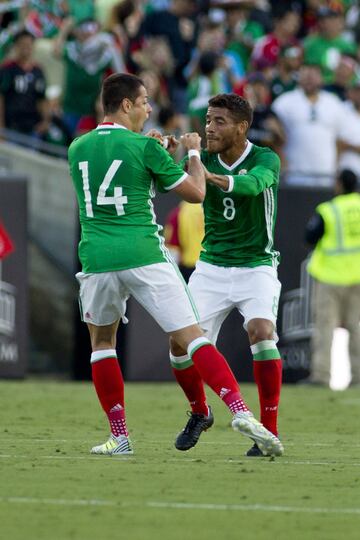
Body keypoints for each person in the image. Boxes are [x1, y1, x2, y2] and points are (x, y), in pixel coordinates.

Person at [68, 73, 283, 457]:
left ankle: (119, 437)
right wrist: (190, 155)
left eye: (218, 121)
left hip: (97, 257)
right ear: (128, 105)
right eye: (146, 101)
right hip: (148, 254)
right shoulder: (147, 148)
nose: (150, 108)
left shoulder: (76, 147)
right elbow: (195, 191)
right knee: (190, 339)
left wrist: (163, 151)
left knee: (102, 345)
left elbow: (130, 176)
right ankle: (234, 409)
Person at [170, 93, 283, 457]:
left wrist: (207, 174)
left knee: (262, 332)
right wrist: (163, 148)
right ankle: (200, 412)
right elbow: (179, 184)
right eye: (207, 119)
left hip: (256, 266)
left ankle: (267, 428)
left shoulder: (266, 158)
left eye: (219, 121)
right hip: (212, 266)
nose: (209, 127)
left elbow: (250, 186)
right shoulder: (200, 158)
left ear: (241, 127)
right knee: (178, 343)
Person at [304, 169, 360, 387]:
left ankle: (321, 375)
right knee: (356, 329)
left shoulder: (329, 210)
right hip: (357, 277)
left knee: (325, 327)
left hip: (330, 277)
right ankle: (358, 376)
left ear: (339, 185)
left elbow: (309, 237)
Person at [272, 63, 347, 188]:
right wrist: (283, 167)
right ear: (299, 77)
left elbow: (339, 141)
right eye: (306, 74)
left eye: (314, 75)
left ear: (322, 78)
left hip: (326, 175)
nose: (309, 79)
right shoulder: (283, 102)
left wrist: (336, 168)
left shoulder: (334, 103)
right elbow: (274, 139)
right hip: (294, 175)